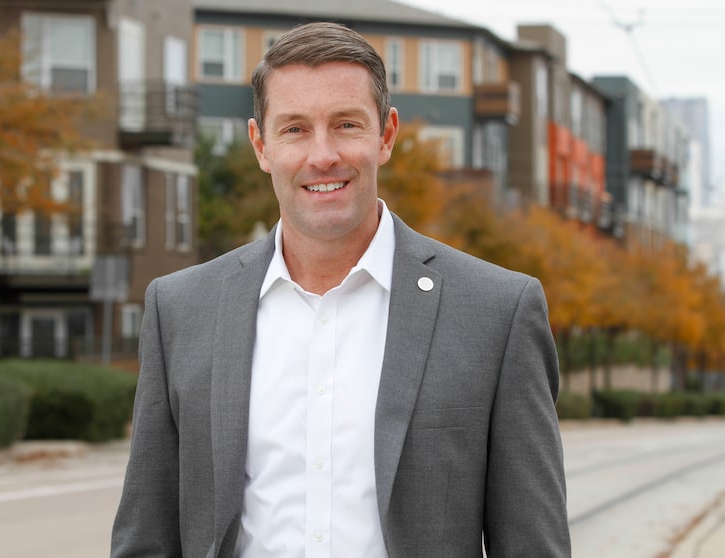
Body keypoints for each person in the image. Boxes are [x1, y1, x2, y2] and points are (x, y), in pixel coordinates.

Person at [111, 21, 570, 558]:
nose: (322, 155)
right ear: (261, 144)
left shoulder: (497, 312)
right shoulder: (181, 310)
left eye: (346, 124)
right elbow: (146, 538)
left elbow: (533, 545)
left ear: (386, 136)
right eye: (295, 129)